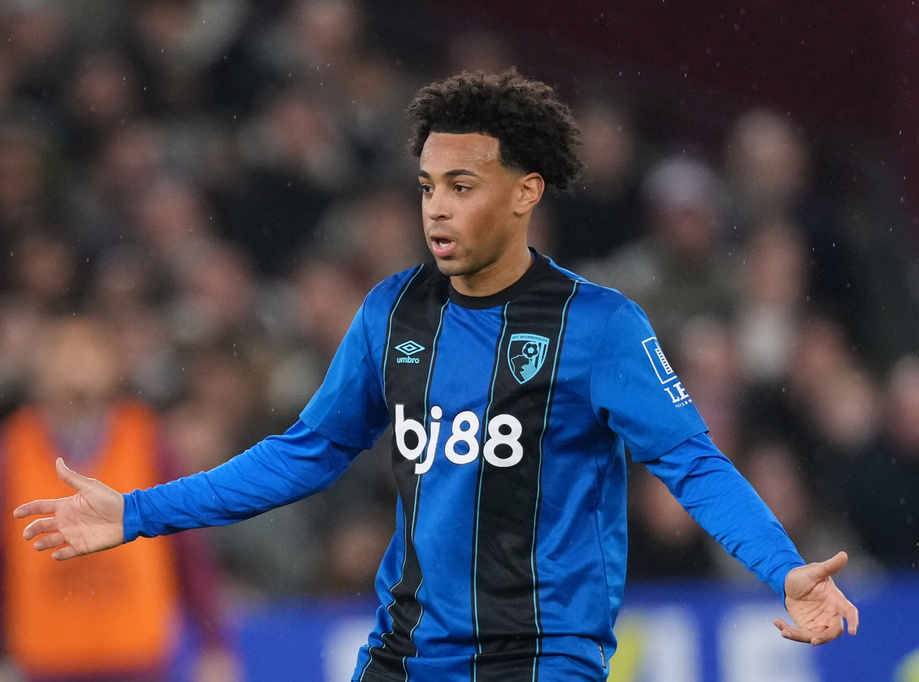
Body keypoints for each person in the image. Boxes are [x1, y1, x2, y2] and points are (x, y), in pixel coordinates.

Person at [14, 69, 858, 682]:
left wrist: (783, 567)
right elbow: (305, 453)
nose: (437, 209)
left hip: (539, 657)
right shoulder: (393, 313)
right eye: (426, 187)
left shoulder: (597, 327)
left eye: (462, 186)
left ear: (526, 192)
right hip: (405, 652)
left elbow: (693, 464)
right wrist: (136, 511)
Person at [0, 316, 236, 681]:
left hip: (135, 653)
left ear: (113, 364)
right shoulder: (13, 448)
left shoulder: (147, 438)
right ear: (37, 367)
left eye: (87, 350)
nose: (75, 361)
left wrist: (214, 644)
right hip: (45, 657)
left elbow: (188, 547)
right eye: (62, 350)